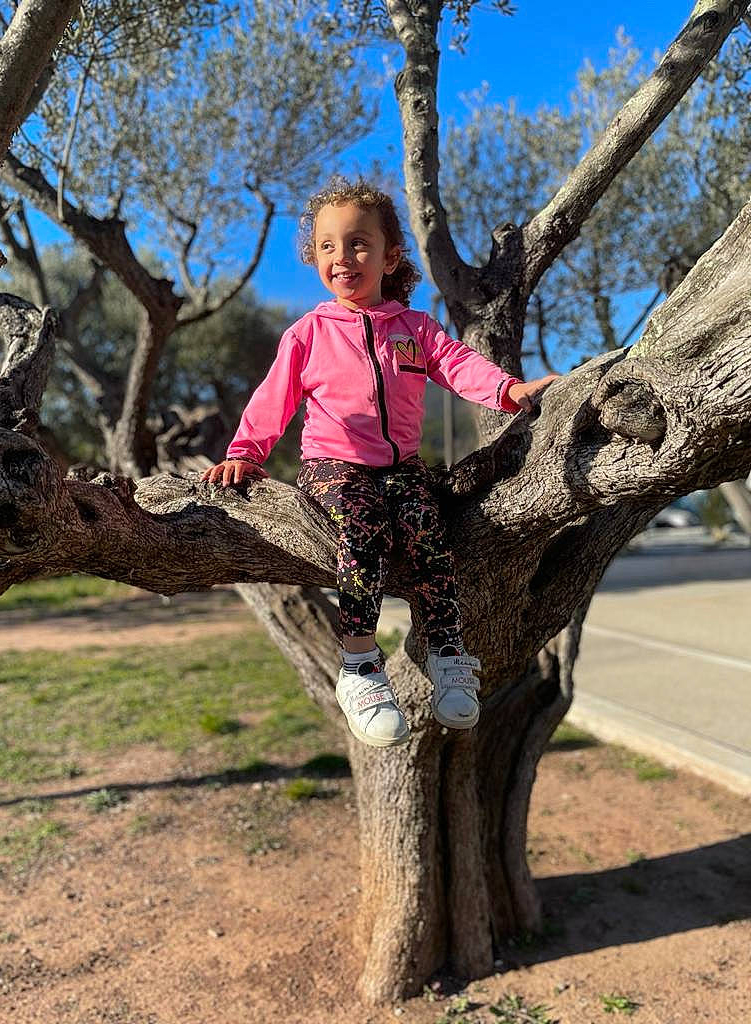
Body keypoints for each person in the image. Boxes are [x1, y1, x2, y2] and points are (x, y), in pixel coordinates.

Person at [202, 178, 558, 749]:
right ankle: (361, 665)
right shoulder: (308, 333)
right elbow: (273, 400)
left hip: (402, 467)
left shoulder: (416, 330)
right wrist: (243, 454)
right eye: (328, 247)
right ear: (315, 257)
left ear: (390, 256)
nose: (343, 257)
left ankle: (447, 652)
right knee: (363, 521)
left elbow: (460, 365)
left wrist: (509, 391)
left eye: (359, 244)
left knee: (428, 526)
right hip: (332, 466)